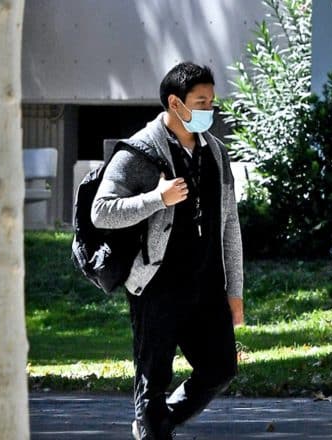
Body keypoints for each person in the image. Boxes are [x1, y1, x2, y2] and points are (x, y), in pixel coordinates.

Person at [91, 61, 244, 440]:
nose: (210, 110)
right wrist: (156, 199)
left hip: (206, 286)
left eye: (212, 101)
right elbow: (101, 212)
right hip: (157, 287)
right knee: (153, 381)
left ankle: (156, 424)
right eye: (202, 102)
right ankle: (153, 424)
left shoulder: (216, 153)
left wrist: (235, 291)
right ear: (176, 104)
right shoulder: (140, 153)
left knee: (221, 368)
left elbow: (230, 225)